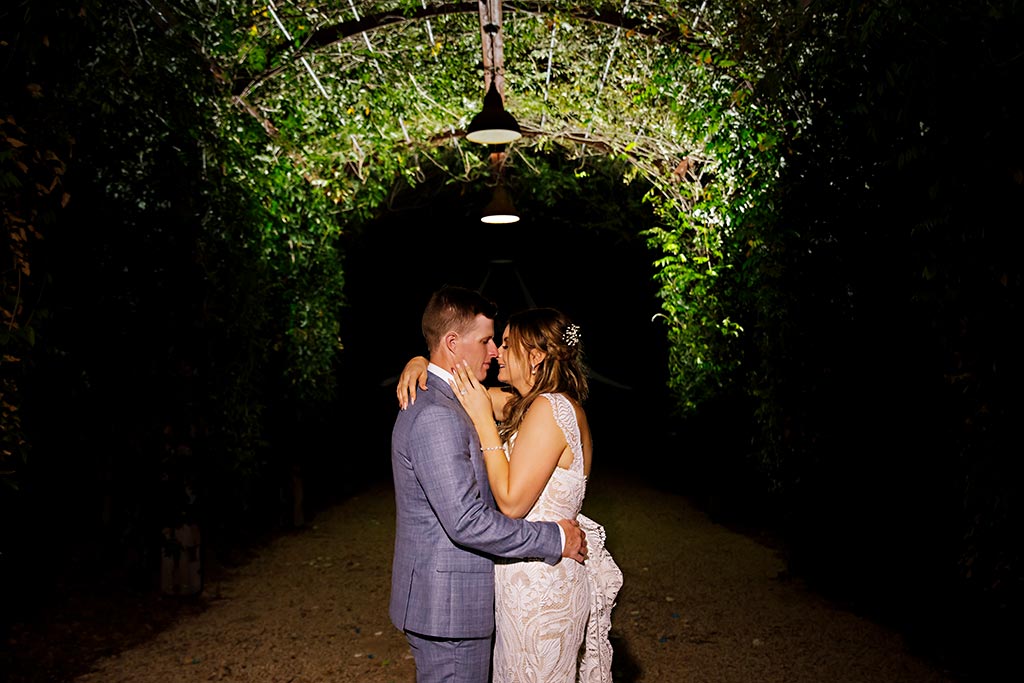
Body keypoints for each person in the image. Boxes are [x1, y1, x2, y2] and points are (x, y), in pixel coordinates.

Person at [397, 306, 622, 683]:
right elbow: (463, 389)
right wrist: (421, 361)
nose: (497, 352)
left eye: (505, 344)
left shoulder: (550, 409)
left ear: (534, 358)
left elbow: (512, 503)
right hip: (524, 579)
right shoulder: (530, 405)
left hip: (542, 585)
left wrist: (486, 424)